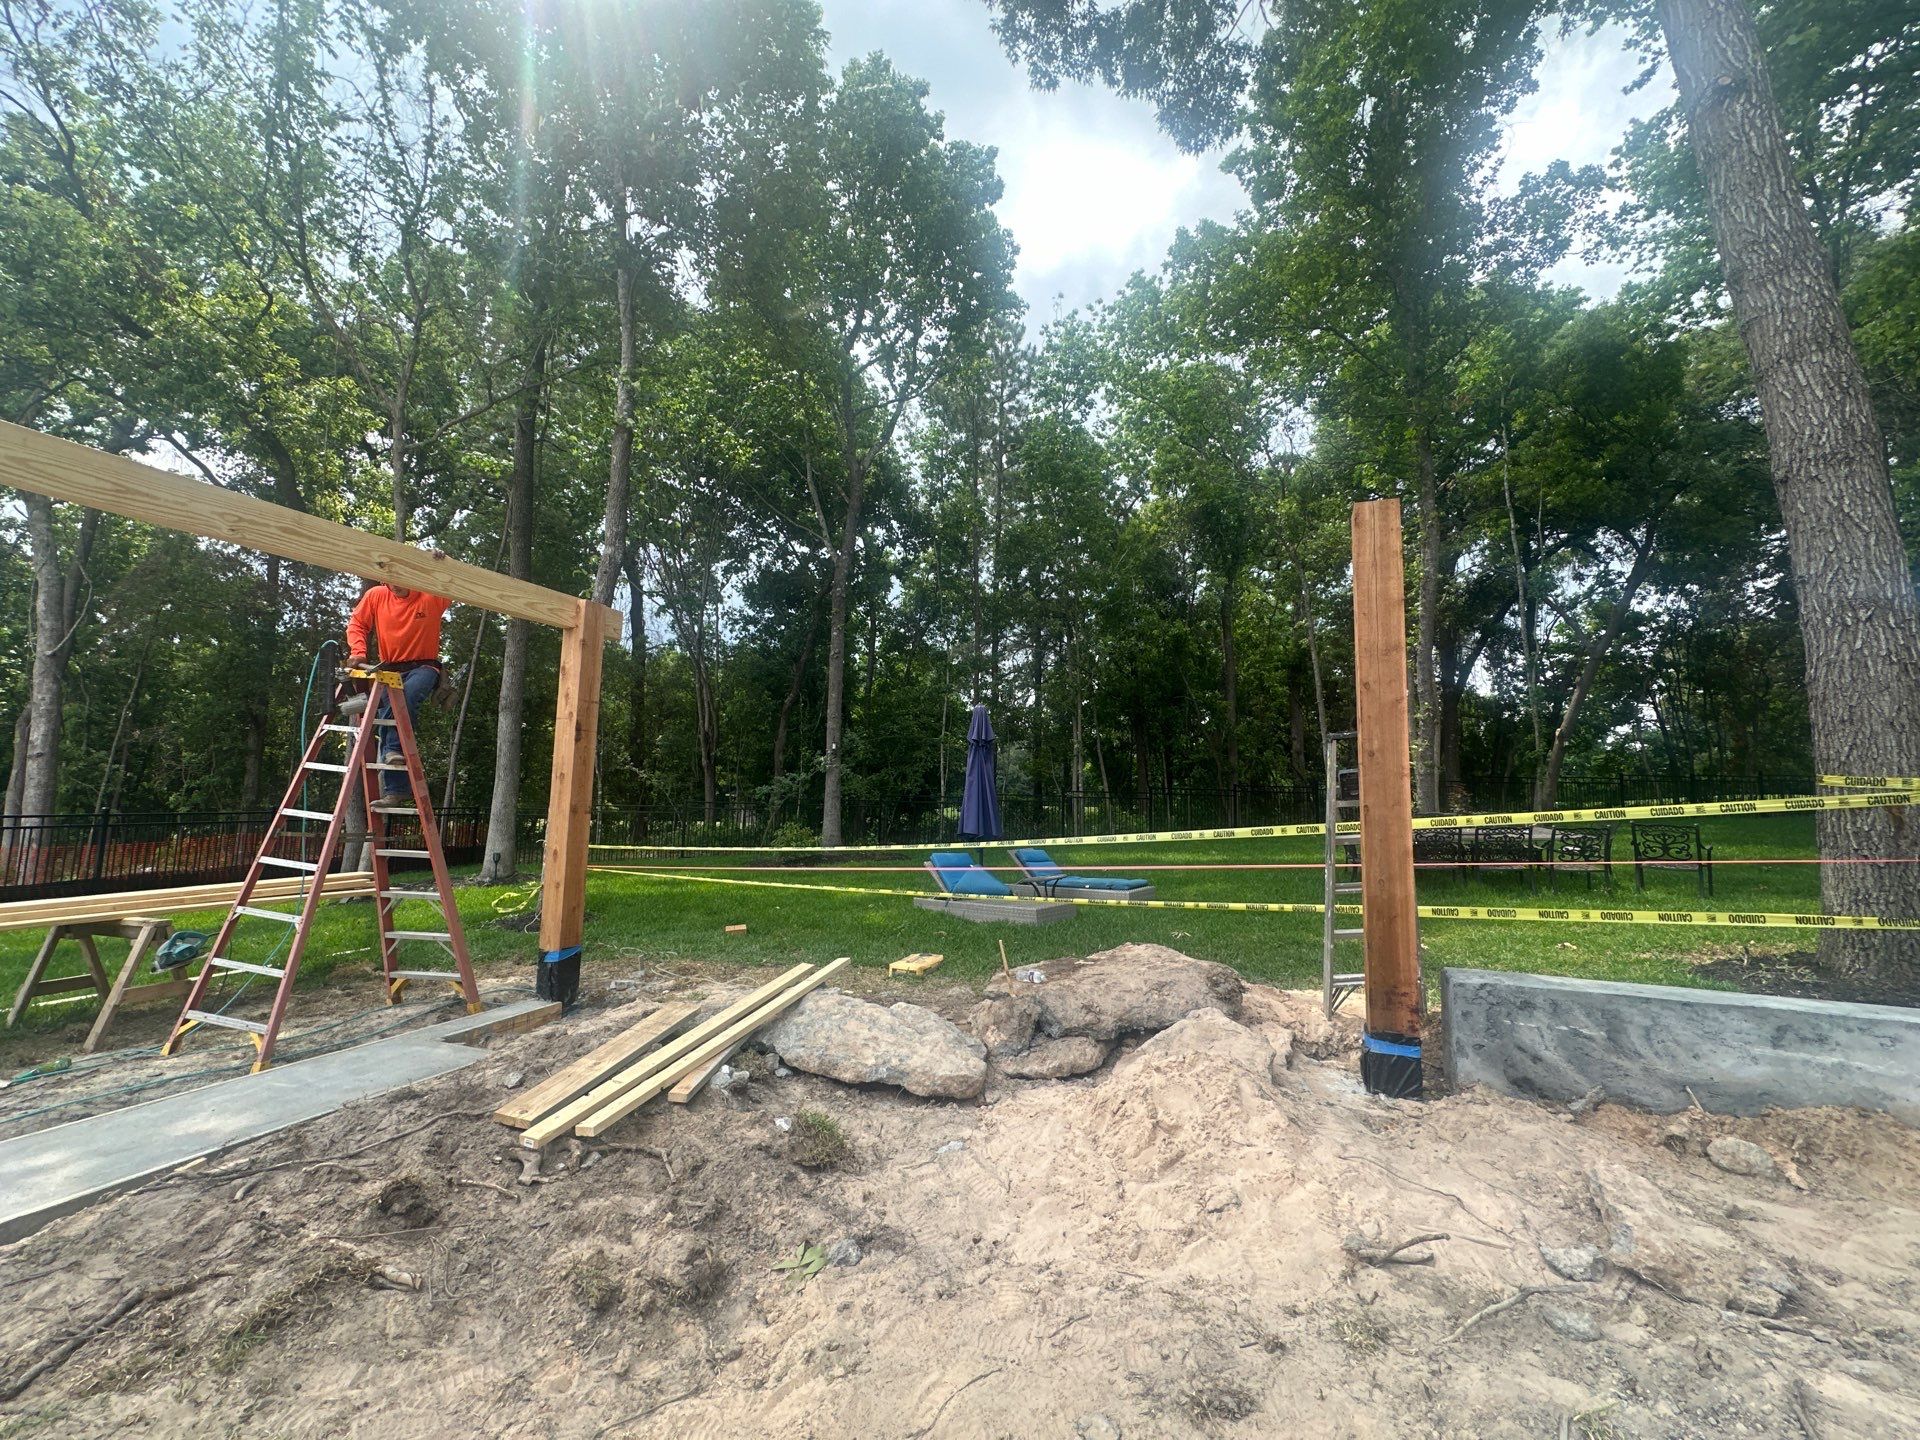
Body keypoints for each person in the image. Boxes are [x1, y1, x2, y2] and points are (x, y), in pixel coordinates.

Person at [345, 573, 450, 807]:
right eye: (391, 579)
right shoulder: (376, 596)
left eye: (401, 577)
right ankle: (396, 790)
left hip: (424, 666)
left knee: (406, 696)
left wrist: (437, 564)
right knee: (386, 717)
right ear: (384, 579)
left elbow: (450, 580)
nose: (396, 584)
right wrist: (358, 651)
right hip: (390, 668)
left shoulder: (431, 595)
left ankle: (392, 751)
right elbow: (357, 623)